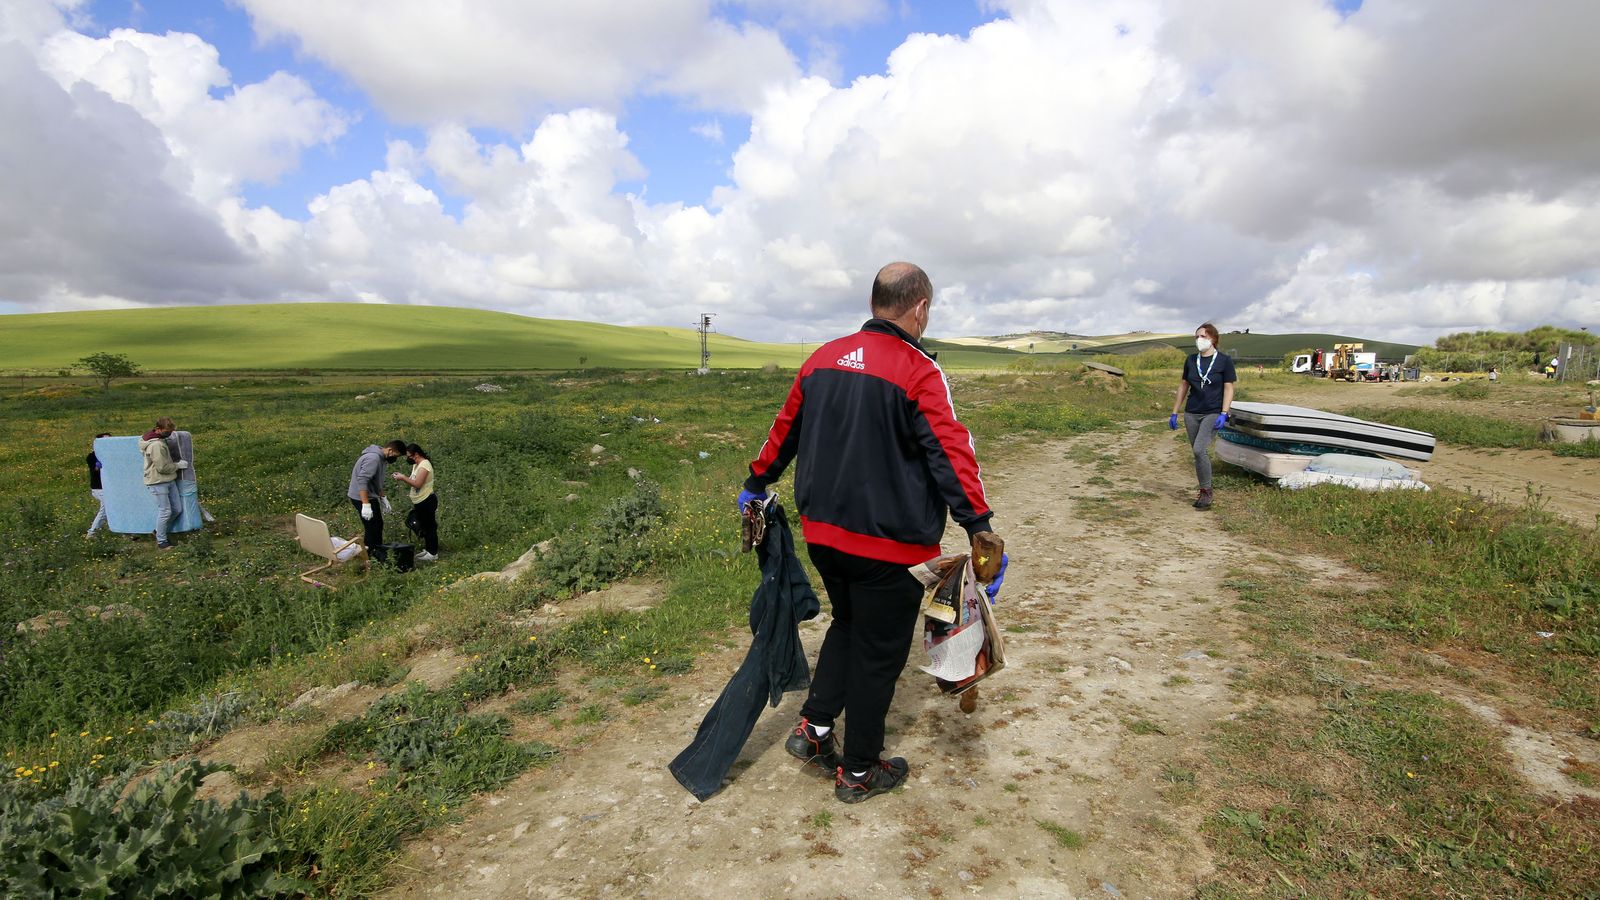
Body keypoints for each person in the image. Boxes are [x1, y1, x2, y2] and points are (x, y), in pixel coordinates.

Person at [739, 261, 1004, 804]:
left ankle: (814, 729)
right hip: (892, 546)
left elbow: (784, 430)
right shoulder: (918, 371)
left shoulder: (821, 359)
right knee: (879, 653)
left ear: (873, 302)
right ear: (920, 308)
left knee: (849, 625)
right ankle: (859, 770)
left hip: (825, 537)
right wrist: (978, 525)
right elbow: (950, 452)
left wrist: (756, 481)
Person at [1169, 323, 1237, 510]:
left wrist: (1224, 413)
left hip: (1213, 412)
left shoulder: (1224, 360)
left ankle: (1207, 491)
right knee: (1198, 454)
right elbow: (1184, 385)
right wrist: (1175, 412)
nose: (1199, 340)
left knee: (1200, 449)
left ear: (1213, 339)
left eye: (1203, 336)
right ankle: (1203, 489)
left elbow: (1228, 388)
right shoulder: (1191, 360)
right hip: (1192, 412)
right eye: (1197, 337)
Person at [349, 439, 405, 562]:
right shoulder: (373, 459)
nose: (396, 458)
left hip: (369, 496)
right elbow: (362, 480)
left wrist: (383, 498)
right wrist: (365, 504)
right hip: (361, 497)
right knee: (372, 527)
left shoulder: (381, 458)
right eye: (397, 455)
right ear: (390, 450)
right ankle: (369, 557)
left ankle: (376, 552)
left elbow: (376, 481)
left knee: (378, 524)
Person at [140, 417, 188, 549]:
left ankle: (158, 531)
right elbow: (162, 467)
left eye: (171, 432)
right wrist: (178, 465)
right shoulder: (156, 445)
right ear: (158, 429)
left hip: (168, 479)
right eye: (167, 431)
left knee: (177, 509)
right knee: (165, 511)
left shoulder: (159, 440)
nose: (169, 434)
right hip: (157, 481)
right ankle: (162, 542)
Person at [391, 442, 438, 561]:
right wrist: (403, 477)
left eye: (409, 456)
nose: (408, 459)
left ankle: (433, 553)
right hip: (419, 500)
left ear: (416, 454)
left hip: (426, 500)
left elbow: (417, 484)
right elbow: (413, 480)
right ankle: (428, 550)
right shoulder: (416, 465)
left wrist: (403, 478)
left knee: (430, 526)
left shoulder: (424, 465)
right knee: (424, 526)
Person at [86, 432, 111, 537]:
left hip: (110, 487)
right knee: (106, 508)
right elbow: (95, 470)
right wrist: (98, 465)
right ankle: (92, 533)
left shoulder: (111, 454)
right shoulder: (92, 456)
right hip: (99, 488)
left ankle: (126, 532)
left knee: (114, 507)